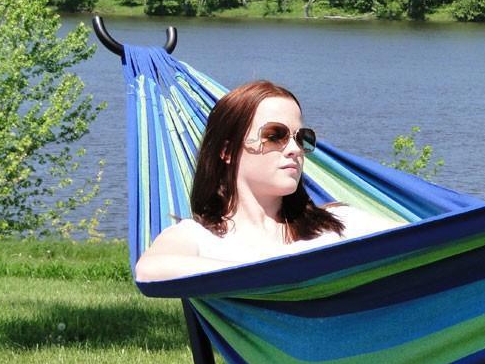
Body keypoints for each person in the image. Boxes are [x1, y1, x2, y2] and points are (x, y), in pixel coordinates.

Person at [135, 80, 400, 282]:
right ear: (227, 151)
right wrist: (277, 275)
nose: (295, 149)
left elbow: (418, 245)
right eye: (275, 136)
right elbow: (149, 270)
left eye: (302, 138)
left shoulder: (341, 222)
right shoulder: (199, 238)